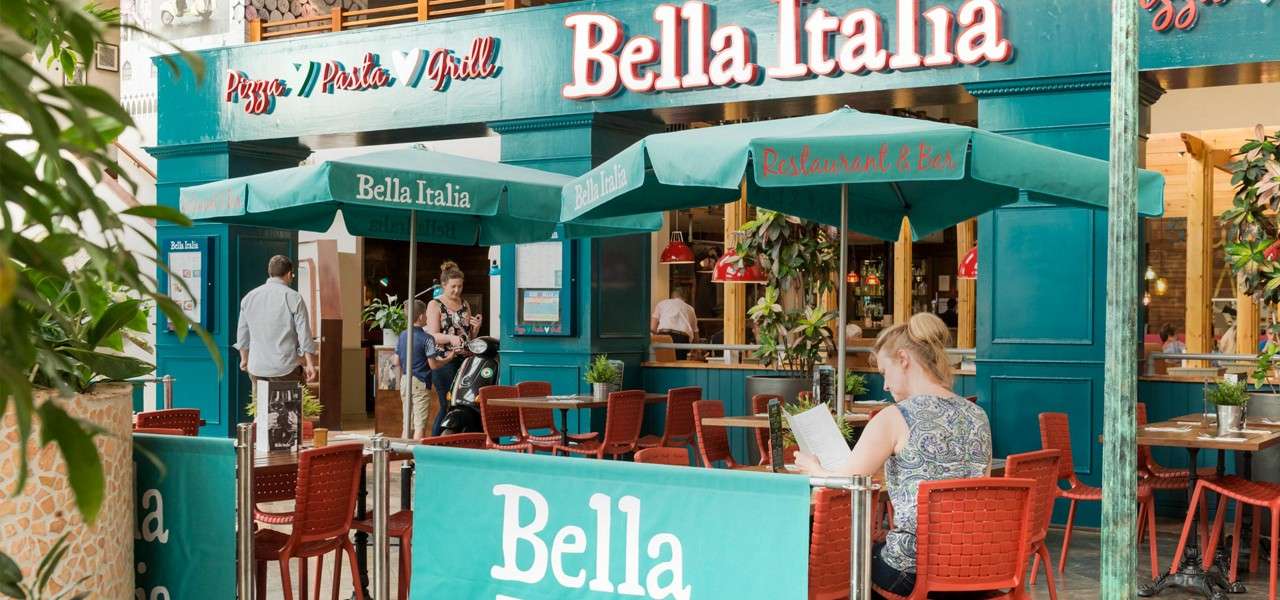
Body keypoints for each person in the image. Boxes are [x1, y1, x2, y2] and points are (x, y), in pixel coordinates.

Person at [795, 313, 992, 597]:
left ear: (903, 359)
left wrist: (814, 469)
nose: (885, 385)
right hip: (980, 566)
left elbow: (846, 481)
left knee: (835, 560)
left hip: (914, 570)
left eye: (885, 373)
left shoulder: (894, 417)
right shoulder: (978, 415)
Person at [236, 255, 317, 386]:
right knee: (291, 400)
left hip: (257, 367)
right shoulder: (294, 297)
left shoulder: (249, 297)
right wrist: (310, 363)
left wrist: (244, 359)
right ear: (289, 274)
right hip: (285, 368)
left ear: (270, 273)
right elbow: (304, 334)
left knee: (261, 400)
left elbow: (242, 334)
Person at [426, 260, 483, 435]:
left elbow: (468, 337)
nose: (457, 290)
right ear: (444, 285)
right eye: (453, 287)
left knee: (463, 404)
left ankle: (454, 441)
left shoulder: (465, 304)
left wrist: (476, 328)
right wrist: (450, 338)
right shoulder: (435, 304)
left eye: (460, 286)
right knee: (447, 405)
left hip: (465, 361)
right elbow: (432, 336)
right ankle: (434, 444)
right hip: (444, 360)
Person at [393, 299, 461, 439]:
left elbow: (396, 361)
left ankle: (403, 452)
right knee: (419, 425)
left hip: (405, 380)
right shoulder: (428, 339)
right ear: (421, 317)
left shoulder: (402, 335)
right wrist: (449, 358)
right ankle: (417, 453)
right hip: (420, 382)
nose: (427, 317)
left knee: (407, 424)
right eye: (426, 314)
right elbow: (433, 365)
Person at [650, 288, 699, 360]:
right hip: (682, 338)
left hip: (664, 336)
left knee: (662, 362)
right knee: (679, 364)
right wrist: (695, 350)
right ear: (685, 298)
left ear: (672, 296)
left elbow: (653, 328)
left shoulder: (662, 303)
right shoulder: (690, 309)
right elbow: (695, 333)